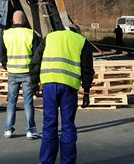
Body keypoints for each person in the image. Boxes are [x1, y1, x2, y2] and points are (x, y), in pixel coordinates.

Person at [30, 26, 94, 164]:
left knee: (49, 124)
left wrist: (34, 83)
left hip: (49, 84)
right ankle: (68, 161)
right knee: (68, 125)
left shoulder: (50, 37)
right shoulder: (81, 41)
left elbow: (36, 60)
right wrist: (87, 91)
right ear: (76, 31)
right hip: (69, 87)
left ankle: (46, 160)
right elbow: (87, 68)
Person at [0, 10, 40, 140]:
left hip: (12, 72)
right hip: (27, 73)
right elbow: (36, 56)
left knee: (11, 101)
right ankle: (30, 130)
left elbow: (2, 54)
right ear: (25, 21)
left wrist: (7, 66)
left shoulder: (5, 34)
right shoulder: (30, 34)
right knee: (28, 102)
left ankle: (8, 130)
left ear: (12, 20)